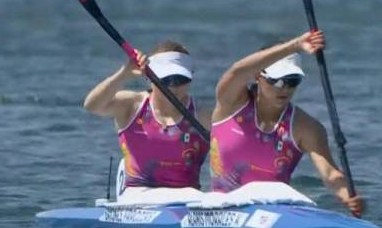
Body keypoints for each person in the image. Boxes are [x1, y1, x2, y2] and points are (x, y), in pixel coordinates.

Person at [209, 30, 366, 217]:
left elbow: (330, 174)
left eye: (292, 81)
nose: (284, 88)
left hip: (274, 215)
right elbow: (238, 71)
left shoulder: (306, 127)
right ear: (258, 76)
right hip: (221, 208)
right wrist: (295, 45)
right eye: (276, 81)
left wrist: (347, 195)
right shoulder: (230, 103)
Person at [83, 41, 211, 192]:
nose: (173, 86)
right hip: (138, 194)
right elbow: (92, 106)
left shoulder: (203, 115)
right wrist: (124, 74)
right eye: (166, 80)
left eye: (180, 79)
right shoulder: (132, 105)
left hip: (188, 198)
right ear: (149, 78)